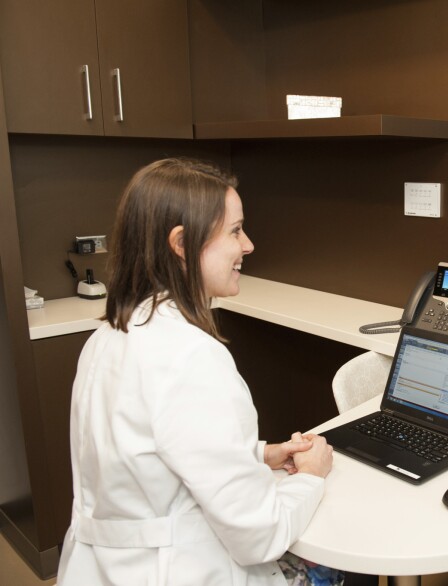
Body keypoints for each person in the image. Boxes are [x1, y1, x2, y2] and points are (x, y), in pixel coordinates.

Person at [57, 158, 341, 586]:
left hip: (103, 569)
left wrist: (259, 454)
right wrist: (312, 478)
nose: (248, 245)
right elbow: (259, 537)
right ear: (181, 242)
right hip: (176, 571)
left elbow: (146, 457)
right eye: (235, 230)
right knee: (332, 568)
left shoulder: (111, 334)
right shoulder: (190, 357)